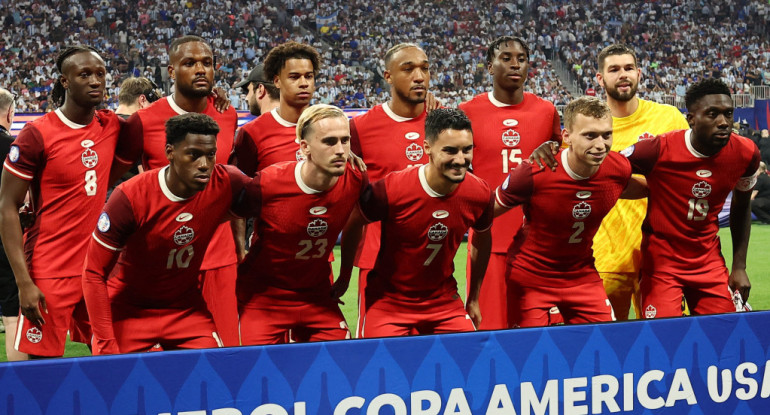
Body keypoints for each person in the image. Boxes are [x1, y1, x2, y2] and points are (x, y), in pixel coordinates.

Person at [82, 113, 255, 354]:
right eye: (194, 155)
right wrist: (104, 340)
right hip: (130, 310)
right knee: (115, 384)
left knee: (216, 377)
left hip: (185, 309)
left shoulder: (227, 182)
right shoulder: (130, 197)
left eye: (210, 155)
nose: (205, 164)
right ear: (170, 152)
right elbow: (93, 272)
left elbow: (280, 200)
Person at [0, 46, 131, 358]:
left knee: (112, 353)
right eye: (84, 74)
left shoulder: (112, 126)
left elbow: (155, 121)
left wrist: (211, 100)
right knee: (42, 364)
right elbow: (6, 205)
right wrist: (23, 282)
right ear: (64, 82)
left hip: (97, 264)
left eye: (100, 74)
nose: (95, 80)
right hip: (49, 265)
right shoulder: (36, 134)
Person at [120, 35, 240, 346]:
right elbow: (115, 181)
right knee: (158, 368)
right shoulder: (143, 122)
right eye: (189, 63)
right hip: (161, 261)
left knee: (226, 355)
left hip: (217, 256)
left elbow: (235, 183)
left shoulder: (227, 114)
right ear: (171, 72)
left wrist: (240, 242)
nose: (200, 70)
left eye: (207, 63)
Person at [345, 108, 493, 337]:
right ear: (427, 149)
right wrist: (345, 276)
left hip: (443, 301)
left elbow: (482, 238)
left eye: (467, 150)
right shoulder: (390, 190)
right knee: (379, 369)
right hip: (389, 303)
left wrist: (473, 297)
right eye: (450, 151)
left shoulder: (479, 192)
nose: (461, 159)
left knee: (471, 362)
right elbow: (353, 222)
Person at [495, 97, 641, 327]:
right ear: (566, 137)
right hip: (532, 277)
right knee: (530, 353)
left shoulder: (617, 168)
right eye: (590, 135)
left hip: (581, 276)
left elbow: (642, 189)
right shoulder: (535, 171)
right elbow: (484, 212)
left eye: (606, 135)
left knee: (606, 344)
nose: (601, 144)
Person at [621, 79, 760, 317]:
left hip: (707, 260)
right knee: (664, 337)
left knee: (722, 334)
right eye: (712, 114)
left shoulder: (746, 153)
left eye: (728, 114)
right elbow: (607, 169)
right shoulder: (657, 149)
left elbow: (741, 206)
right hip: (661, 262)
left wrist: (739, 266)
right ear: (691, 119)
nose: (724, 122)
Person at [237, 104, 366, 345]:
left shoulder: (356, 178)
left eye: (345, 141)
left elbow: (357, 222)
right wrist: (238, 250)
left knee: (344, 362)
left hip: (316, 296)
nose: (340, 150)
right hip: (264, 299)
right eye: (329, 142)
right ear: (304, 147)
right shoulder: (269, 183)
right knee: (253, 372)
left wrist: (346, 274)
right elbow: (229, 211)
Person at [458, 36, 561, 329]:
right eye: (506, 57)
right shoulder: (467, 112)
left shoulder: (546, 111)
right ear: (489, 66)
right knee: (491, 332)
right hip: (488, 240)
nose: (515, 64)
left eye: (521, 58)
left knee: (541, 334)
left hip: (539, 244)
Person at [591, 44, 690, 320]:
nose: (623, 75)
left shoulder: (668, 117)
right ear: (600, 78)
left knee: (667, 340)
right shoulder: (588, 126)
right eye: (614, 69)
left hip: (661, 256)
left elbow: (688, 174)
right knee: (607, 346)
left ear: (639, 73)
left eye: (628, 68)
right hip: (607, 256)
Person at [348, 43, 431, 337]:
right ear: (387, 76)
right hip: (380, 264)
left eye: (424, 68)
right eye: (408, 69)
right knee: (377, 361)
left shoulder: (444, 122)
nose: (419, 76)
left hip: (435, 263)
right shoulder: (360, 128)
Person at [0, 88, 26, 361]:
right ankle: (18, 390)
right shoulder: (12, 148)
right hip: (5, 239)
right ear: (9, 113)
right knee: (12, 317)